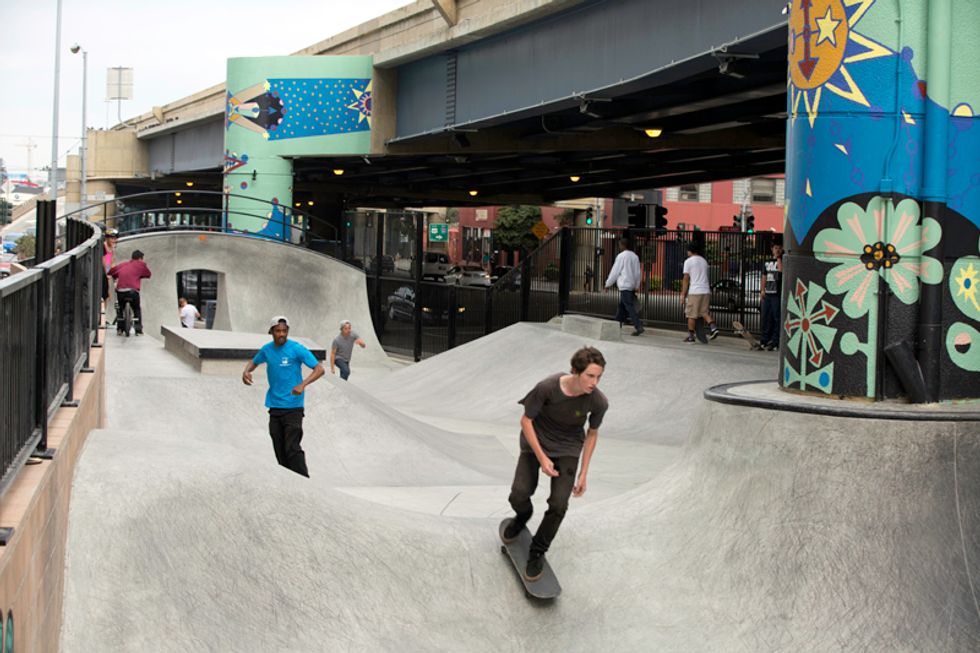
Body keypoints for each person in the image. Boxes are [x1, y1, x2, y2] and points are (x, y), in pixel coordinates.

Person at [502, 347, 608, 581]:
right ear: (576, 371)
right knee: (519, 494)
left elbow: (592, 433)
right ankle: (523, 515)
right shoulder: (547, 387)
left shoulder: (598, 401)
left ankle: (537, 551)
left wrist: (583, 473)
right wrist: (542, 457)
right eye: (590, 376)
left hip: (567, 448)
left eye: (599, 377)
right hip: (536, 442)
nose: (594, 382)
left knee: (559, 504)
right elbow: (526, 421)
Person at [242, 316, 325, 477]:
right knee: (279, 450)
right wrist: (246, 371)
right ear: (271, 332)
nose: (281, 334)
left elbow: (319, 369)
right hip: (274, 406)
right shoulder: (267, 350)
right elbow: (254, 362)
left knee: (292, 448)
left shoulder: (296, 348)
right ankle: (289, 481)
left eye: (284, 331)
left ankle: (304, 480)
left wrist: (303, 384)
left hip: (293, 407)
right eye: (278, 331)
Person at [680, 242, 719, 343]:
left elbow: (686, 278)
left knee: (691, 314)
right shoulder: (704, 261)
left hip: (695, 291)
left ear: (690, 250)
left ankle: (691, 336)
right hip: (706, 290)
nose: (687, 252)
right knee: (704, 312)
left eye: (687, 250)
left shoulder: (688, 261)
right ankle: (713, 327)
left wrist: (683, 294)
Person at [604, 238, 644, 336]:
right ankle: (617, 325)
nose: (619, 247)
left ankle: (638, 325)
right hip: (631, 285)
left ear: (623, 245)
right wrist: (637, 285)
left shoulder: (621, 256)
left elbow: (615, 271)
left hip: (624, 285)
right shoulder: (635, 256)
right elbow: (638, 272)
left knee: (629, 306)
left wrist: (608, 284)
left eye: (619, 245)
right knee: (622, 306)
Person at [108, 249, 151, 335]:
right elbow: (148, 274)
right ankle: (138, 330)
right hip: (133, 292)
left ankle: (120, 329)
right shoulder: (141, 265)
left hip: (121, 291)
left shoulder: (124, 264)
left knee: (120, 308)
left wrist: (116, 276)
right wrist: (140, 275)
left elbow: (111, 272)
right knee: (136, 308)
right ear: (140, 259)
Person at [759, 242, 784, 351]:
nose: (777, 250)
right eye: (775, 248)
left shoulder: (782, 260)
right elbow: (764, 276)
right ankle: (764, 340)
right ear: (772, 249)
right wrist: (762, 290)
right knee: (766, 317)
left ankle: (775, 341)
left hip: (776, 294)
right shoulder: (767, 262)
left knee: (776, 317)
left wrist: (778, 258)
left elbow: (781, 270)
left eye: (779, 248)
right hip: (768, 293)